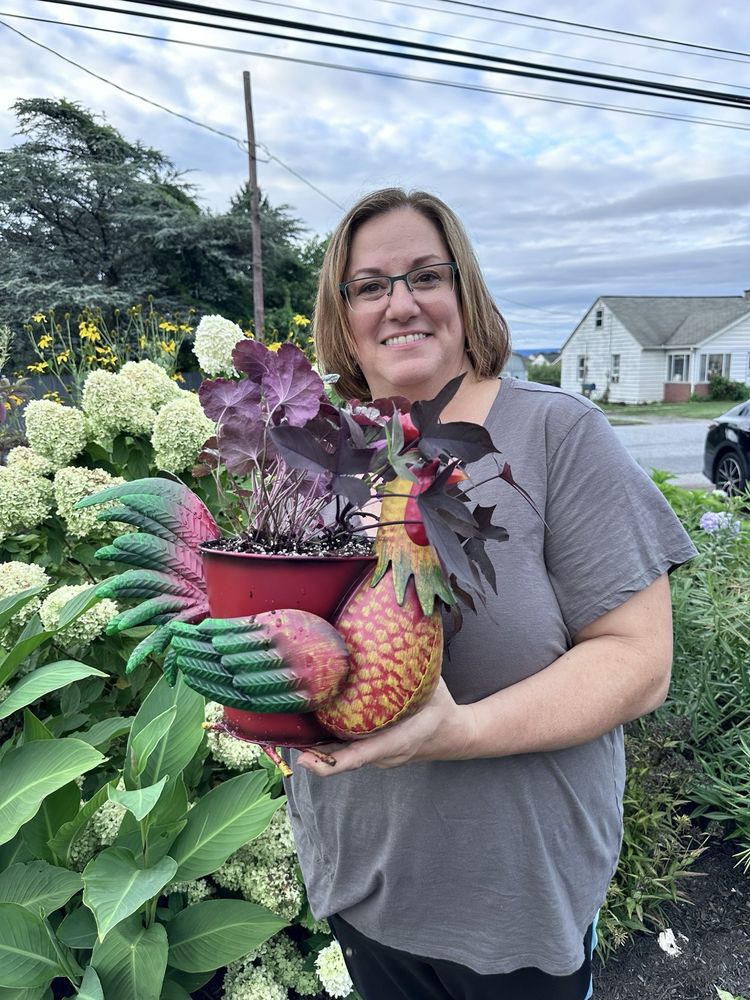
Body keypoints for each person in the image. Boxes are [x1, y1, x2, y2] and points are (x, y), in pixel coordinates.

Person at [283, 187, 697, 999]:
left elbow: (639, 662)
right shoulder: (323, 457)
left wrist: (456, 730)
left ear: (465, 295)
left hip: (514, 905)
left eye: (425, 275)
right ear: (344, 315)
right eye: (370, 285)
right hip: (362, 882)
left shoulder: (554, 434)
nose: (399, 303)